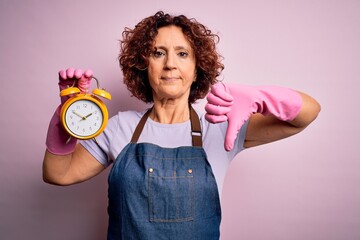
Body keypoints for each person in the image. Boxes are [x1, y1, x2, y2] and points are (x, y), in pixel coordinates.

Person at [43, 11, 321, 240]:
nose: (170, 65)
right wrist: (64, 120)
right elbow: (59, 174)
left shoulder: (220, 127)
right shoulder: (120, 127)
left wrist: (261, 96)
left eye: (182, 54)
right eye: (158, 53)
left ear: (198, 67)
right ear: (143, 65)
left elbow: (307, 114)